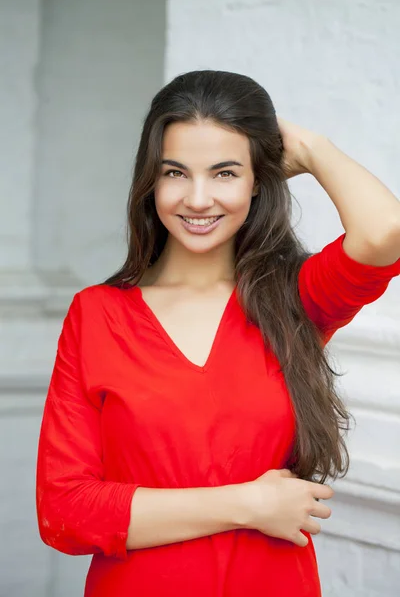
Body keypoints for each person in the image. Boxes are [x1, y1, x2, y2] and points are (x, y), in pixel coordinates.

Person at [36, 70, 400, 597]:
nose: (199, 198)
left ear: (259, 180)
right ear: (151, 181)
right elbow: (65, 511)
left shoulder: (296, 300)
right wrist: (248, 505)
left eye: (225, 173)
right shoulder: (96, 315)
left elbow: (385, 231)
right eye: (176, 173)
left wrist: (311, 148)